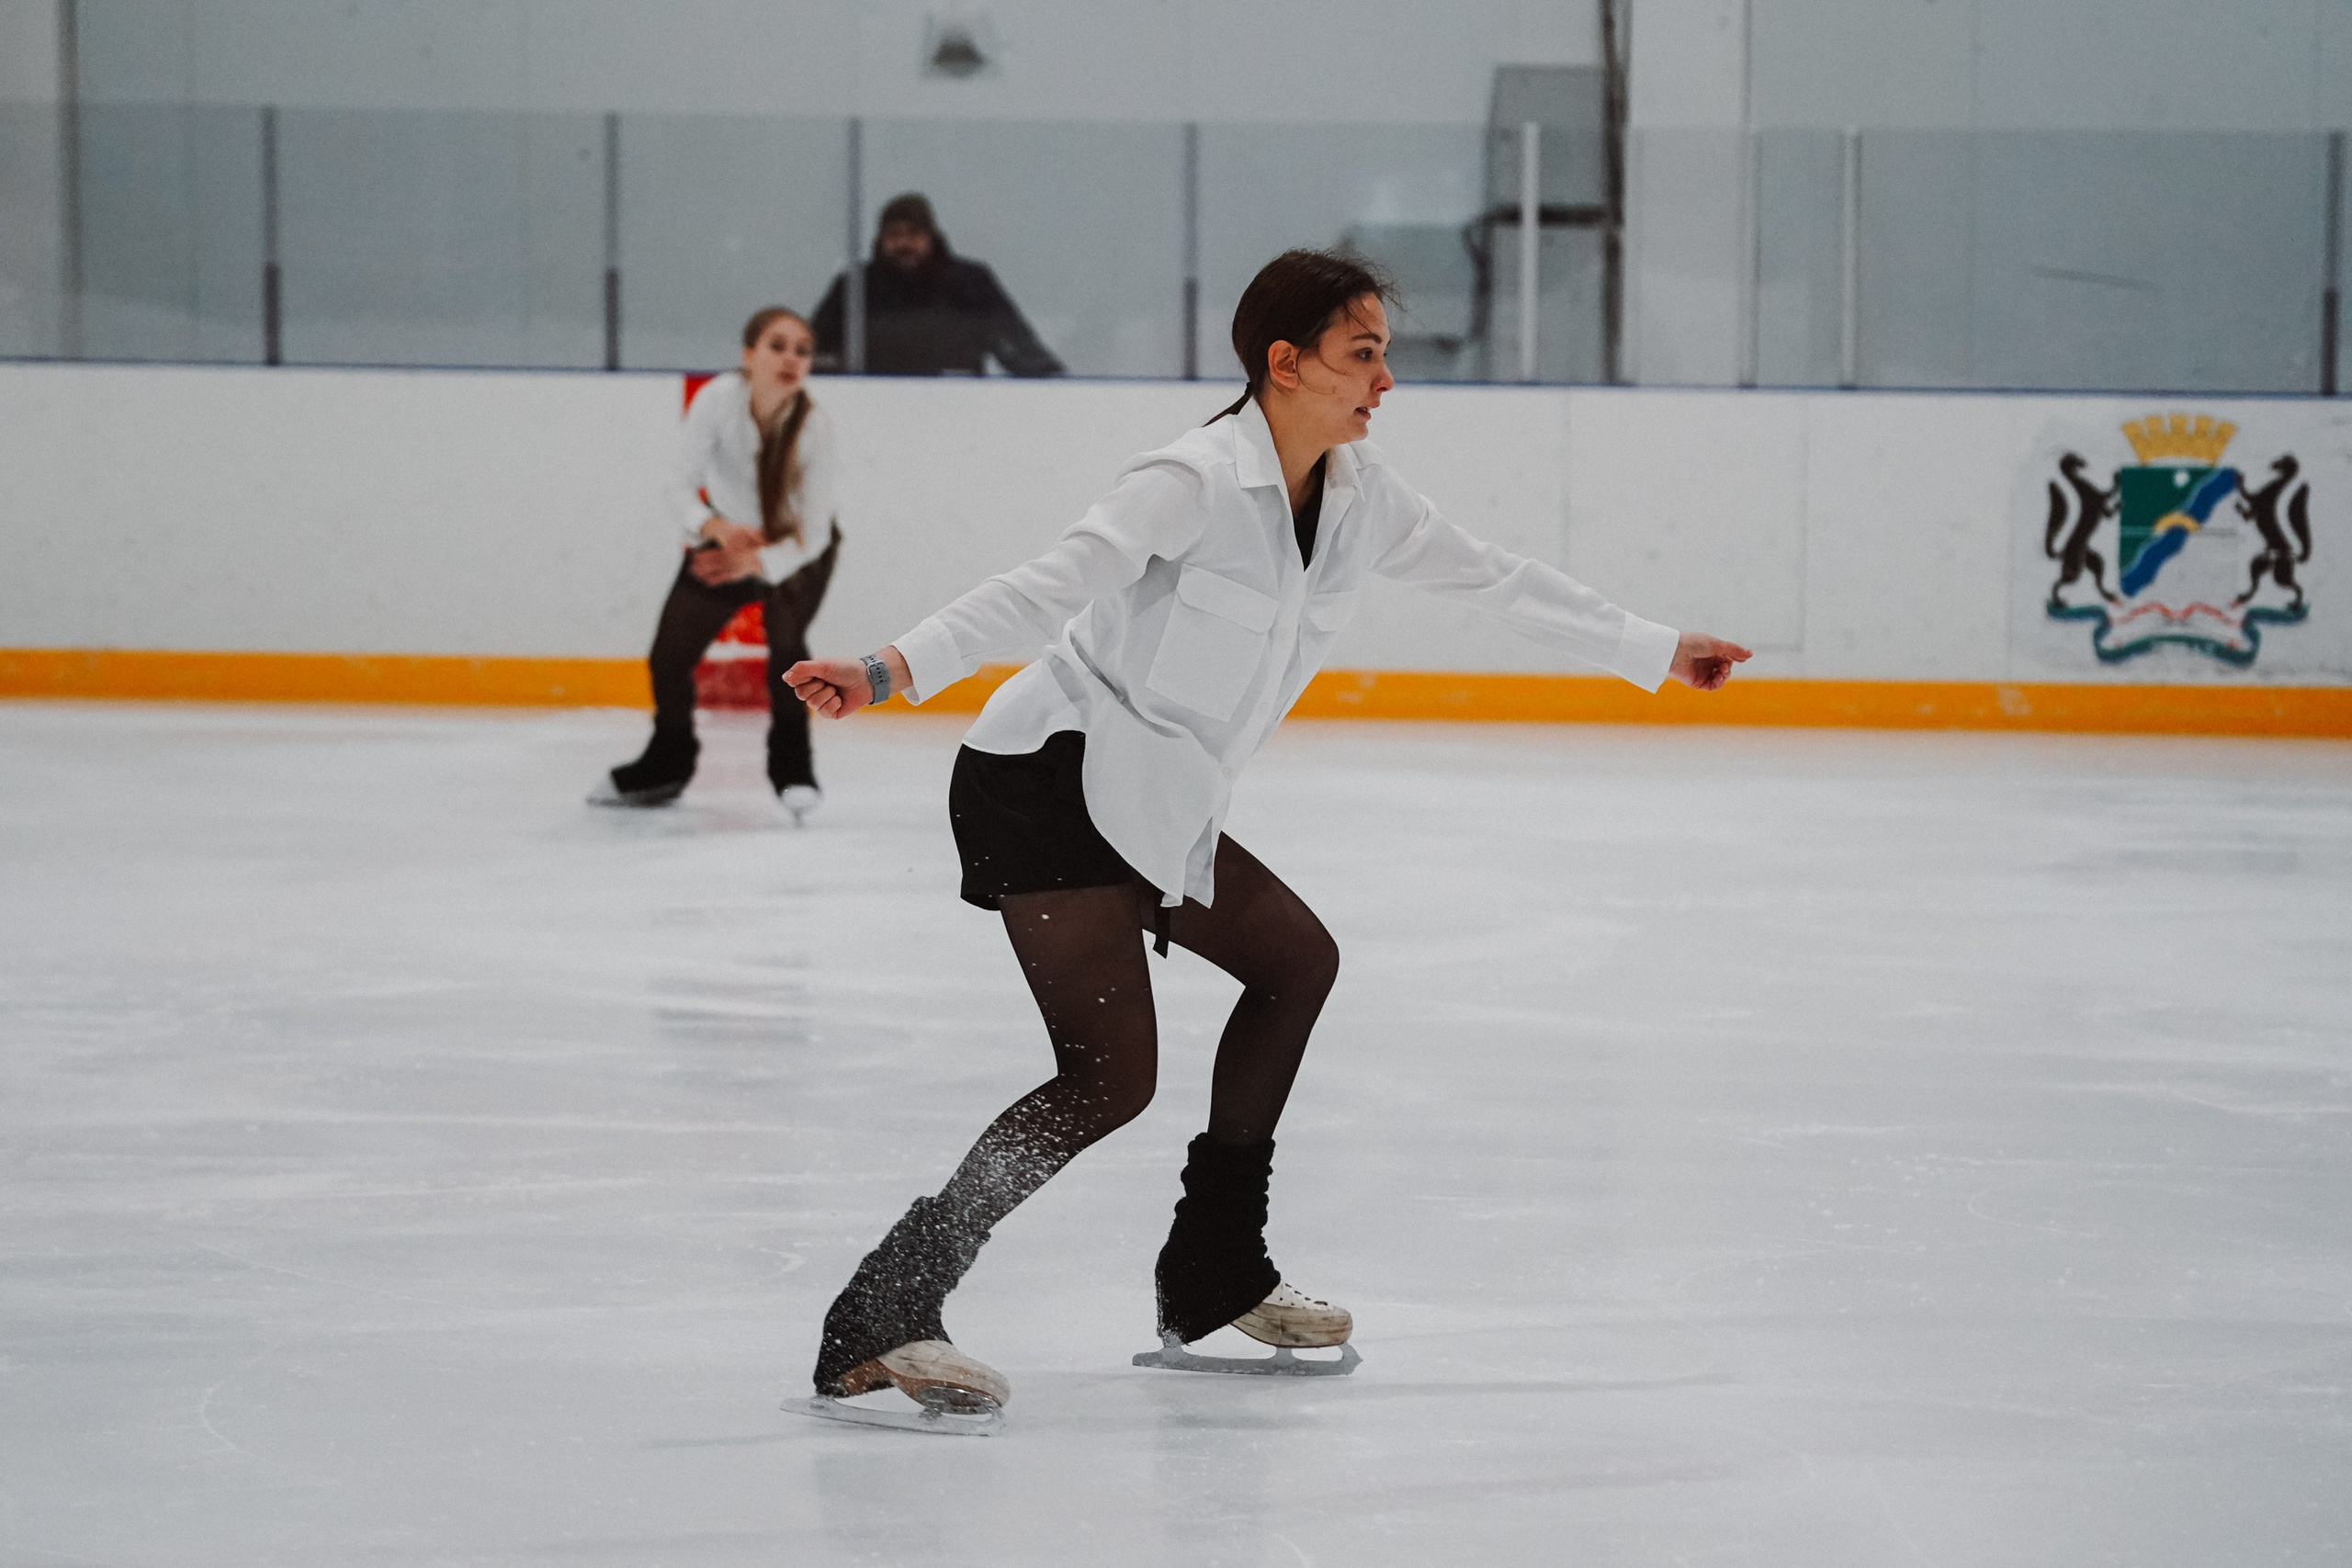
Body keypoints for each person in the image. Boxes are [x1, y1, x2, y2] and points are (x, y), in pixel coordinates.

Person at [782, 250, 1753, 1431]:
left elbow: (1497, 580)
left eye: (1384, 353)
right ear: (1284, 363)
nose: (1385, 381)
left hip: (1156, 797)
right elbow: (1047, 586)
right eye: (1362, 354)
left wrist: (1655, 648)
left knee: (1295, 963)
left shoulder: (1360, 497)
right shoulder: (1189, 480)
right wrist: (889, 669)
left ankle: (1213, 1269)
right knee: (1109, 1080)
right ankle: (885, 1306)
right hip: (1050, 776)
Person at [592, 307, 843, 819]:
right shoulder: (718, 400)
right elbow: (677, 486)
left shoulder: (816, 428)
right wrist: (715, 528)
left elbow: (815, 533)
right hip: (725, 538)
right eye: (777, 346)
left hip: (796, 553)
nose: (790, 359)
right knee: (668, 656)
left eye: (802, 351)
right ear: (748, 355)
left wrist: (758, 562)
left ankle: (794, 769)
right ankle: (667, 763)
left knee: (788, 647)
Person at [809, 192, 1064, 378]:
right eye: (894, 235)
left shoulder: (970, 283)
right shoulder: (855, 287)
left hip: (957, 408)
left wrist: (1053, 383)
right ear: (881, 240)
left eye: (913, 234)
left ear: (931, 237)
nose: (904, 244)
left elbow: (1014, 344)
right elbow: (815, 350)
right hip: (873, 407)